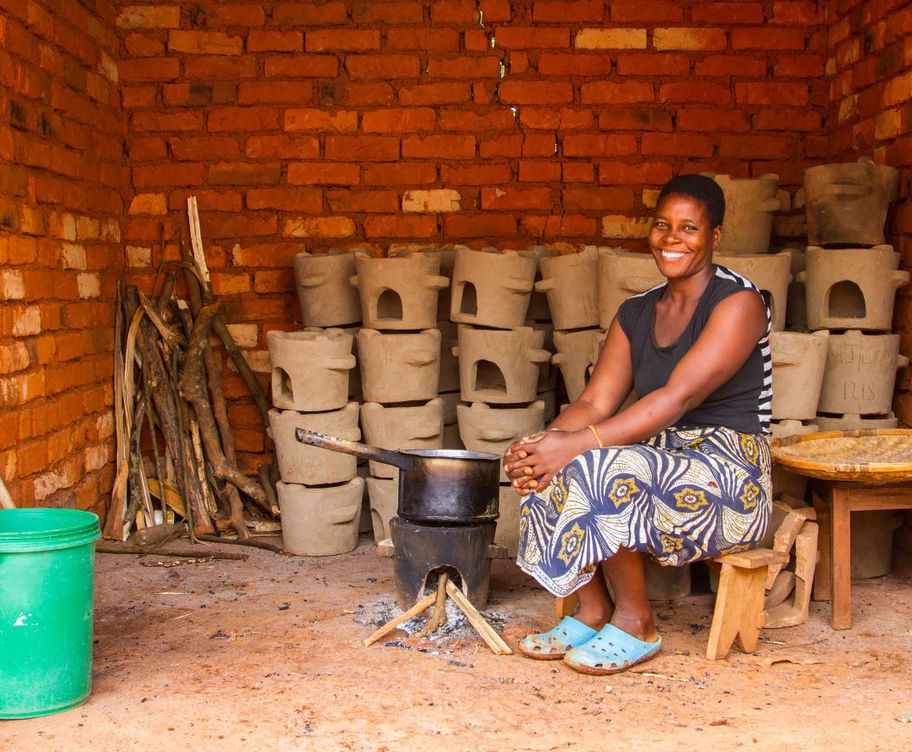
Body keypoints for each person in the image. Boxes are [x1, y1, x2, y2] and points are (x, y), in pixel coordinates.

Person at [503, 174, 772, 675]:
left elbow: (677, 397)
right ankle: (593, 611)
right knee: (548, 462)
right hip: (660, 458)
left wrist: (575, 447)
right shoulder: (637, 310)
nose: (672, 238)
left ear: (714, 236)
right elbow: (594, 401)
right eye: (662, 225)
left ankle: (636, 623)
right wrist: (541, 446)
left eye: (688, 228)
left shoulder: (739, 302)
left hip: (729, 477)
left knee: (596, 466)